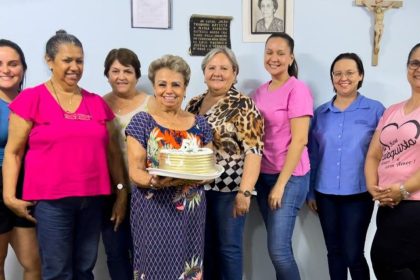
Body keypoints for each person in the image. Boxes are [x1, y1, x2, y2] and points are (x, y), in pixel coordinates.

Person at [2, 30, 127, 280]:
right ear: (49, 61)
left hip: (92, 201)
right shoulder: (31, 99)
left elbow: (114, 154)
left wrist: (122, 192)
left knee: (84, 269)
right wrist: (8, 196)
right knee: (57, 271)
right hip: (51, 203)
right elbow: (13, 153)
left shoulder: (97, 103)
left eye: (79, 60)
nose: (74, 67)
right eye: (67, 60)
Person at [125, 54, 213, 280]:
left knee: (188, 267)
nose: (169, 90)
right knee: (153, 266)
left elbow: (208, 166)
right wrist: (155, 181)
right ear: (154, 87)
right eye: (162, 84)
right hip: (152, 208)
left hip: (191, 209)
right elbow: (135, 171)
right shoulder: (141, 122)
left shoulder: (201, 124)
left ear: (185, 88)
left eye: (176, 84)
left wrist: (197, 177)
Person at [186, 47, 264, 280]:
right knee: (202, 250)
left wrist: (245, 192)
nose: (217, 73)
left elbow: (254, 151)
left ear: (234, 73)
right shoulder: (193, 103)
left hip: (229, 191)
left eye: (224, 68)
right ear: (204, 72)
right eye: (212, 68)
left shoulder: (244, 106)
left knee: (228, 249)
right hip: (197, 190)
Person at [307, 53, 385, 280]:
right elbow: (312, 154)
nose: (343, 78)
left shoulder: (376, 110)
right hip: (325, 194)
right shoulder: (321, 113)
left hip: (359, 193)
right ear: (331, 78)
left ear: (360, 76)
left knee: (353, 253)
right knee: (334, 252)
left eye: (350, 72)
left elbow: (385, 152)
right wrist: (310, 191)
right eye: (338, 73)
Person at [252, 32, 313, 280]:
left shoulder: (297, 89)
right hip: (263, 176)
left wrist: (280, 185)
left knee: (278, 251)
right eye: (269, 52)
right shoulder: (258, 92)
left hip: (290, 177)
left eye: (280, 53)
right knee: (279, 248)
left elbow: (300, 140)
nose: (273, 58)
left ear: (290, 57)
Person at [365, 43, 420, 280]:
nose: (418, 68)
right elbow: (374, 154)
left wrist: (402, 190)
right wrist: (372, 188)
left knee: (385, 260)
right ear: (407, 67)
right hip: (387, 203)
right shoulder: (392, 111)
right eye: (415, 63)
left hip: (414, 203)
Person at [102, 48, 152, 280]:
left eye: (127, 71)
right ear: (107, 74)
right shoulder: (99, 105)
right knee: (115, 251)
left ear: (137, 75)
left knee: (146, 253)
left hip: (146, 190)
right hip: (111, 190)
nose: (121, 76)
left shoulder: (151, 105)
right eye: (115, 71)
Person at [0, 39, 41, 280]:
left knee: (33, 262)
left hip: (27, 184)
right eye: (0, 64)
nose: (6, 70)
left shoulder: (33, 100)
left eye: (13, 64)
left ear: (23, 68)